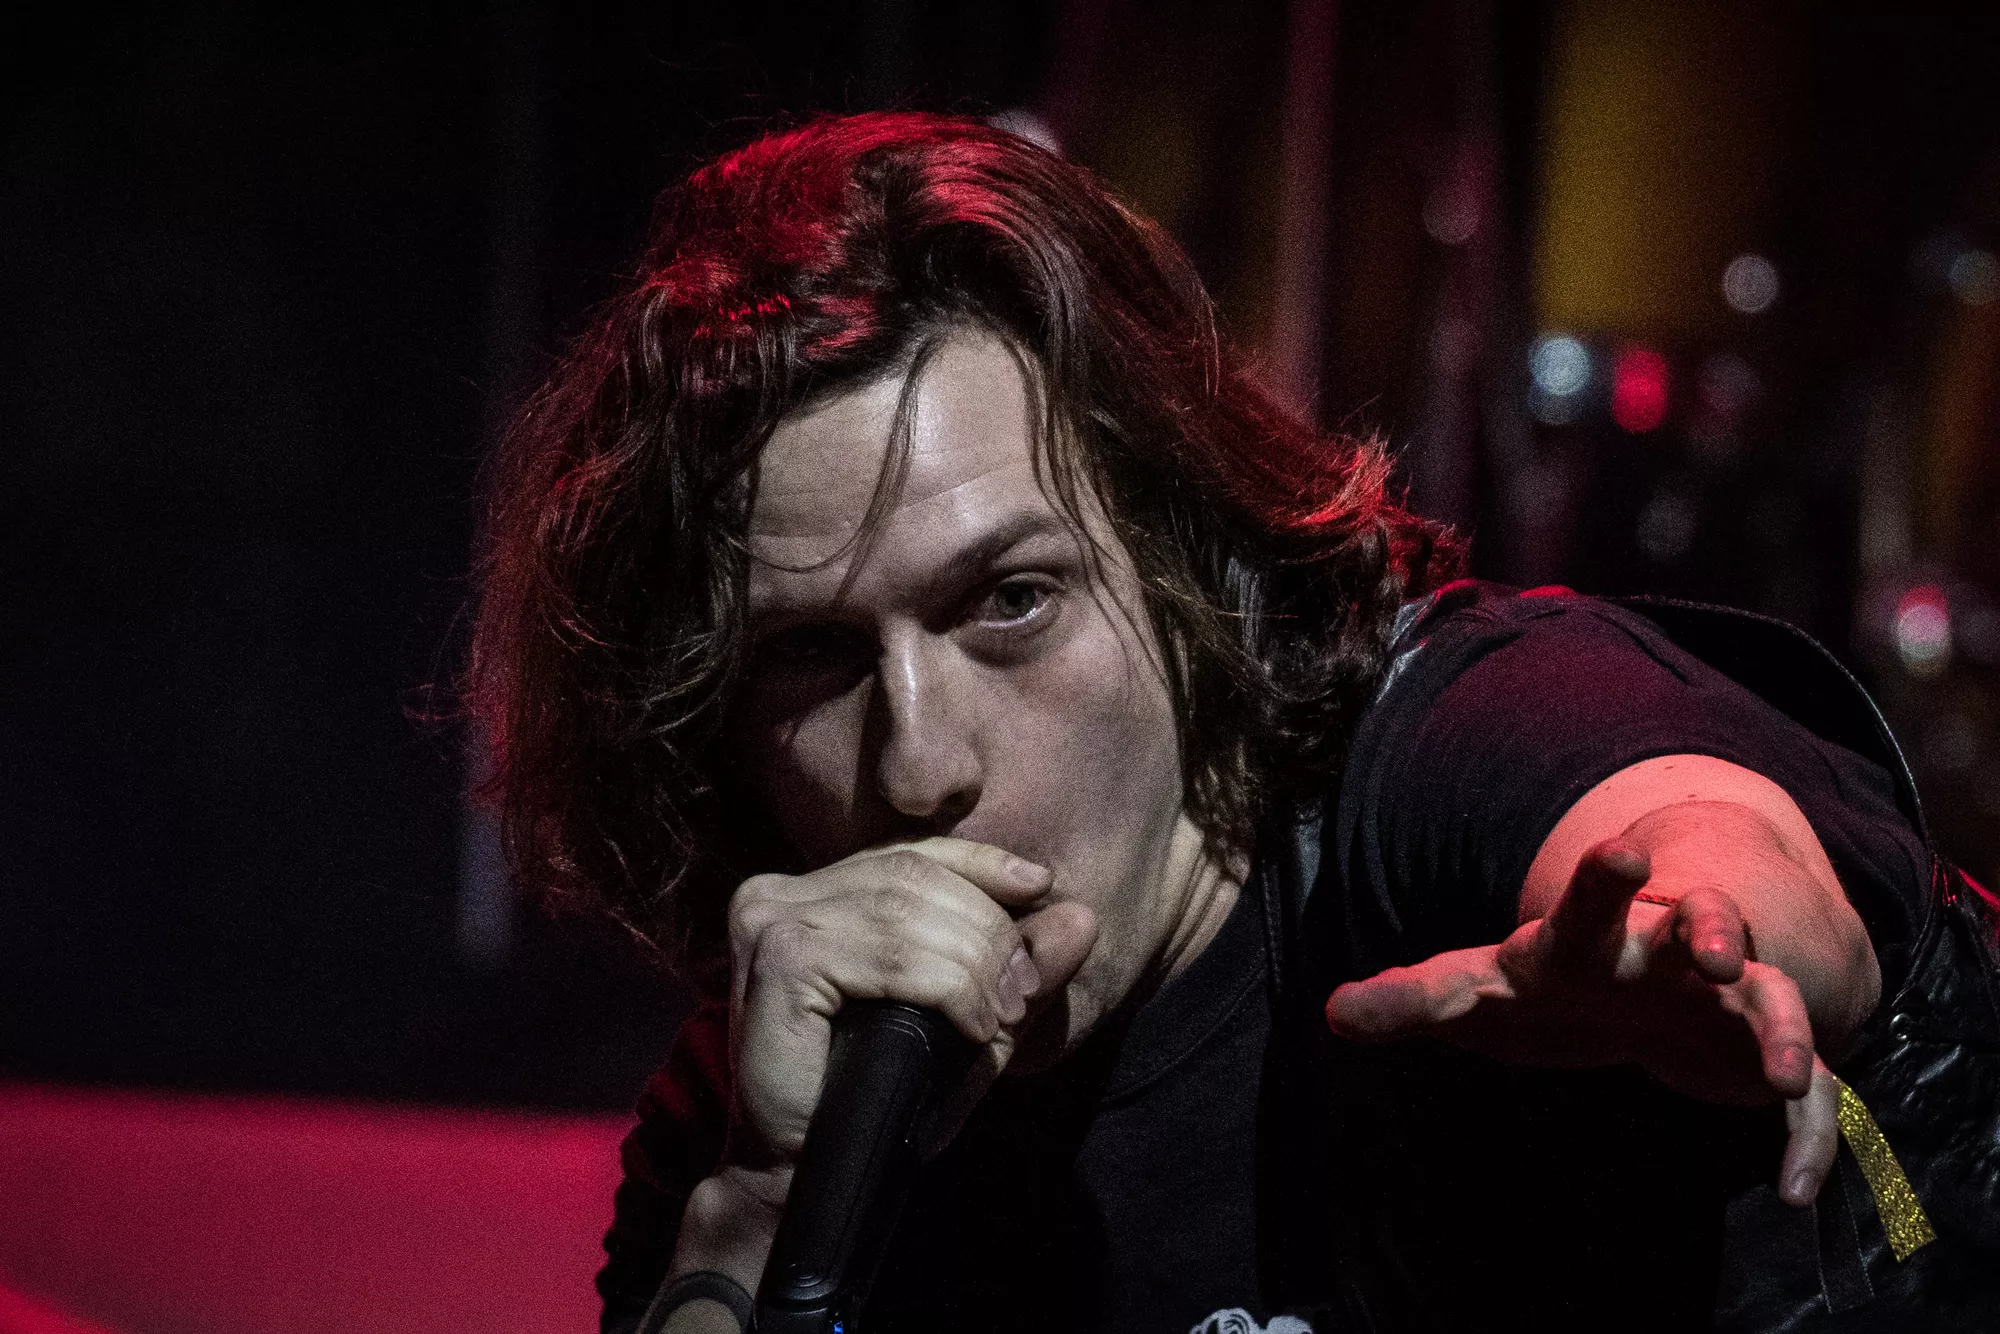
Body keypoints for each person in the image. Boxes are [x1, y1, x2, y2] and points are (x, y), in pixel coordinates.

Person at [462, 113, 1997, 1333]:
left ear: (1181, 560)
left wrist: (1720, 930)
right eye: (814, 655)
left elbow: (1682, 818)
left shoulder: (1431, 751)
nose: (920, 764)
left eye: (1010, 601)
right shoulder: (766, 1105)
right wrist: (758, 1212)